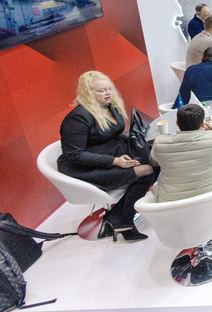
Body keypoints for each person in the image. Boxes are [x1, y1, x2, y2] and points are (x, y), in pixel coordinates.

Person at [58, 71, 156, 242]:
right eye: (102, 90)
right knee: (147, 170)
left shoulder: (110, 106)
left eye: (109, 88)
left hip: (111, 153)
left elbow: (113, 135)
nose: (108, 93)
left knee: (156, 160)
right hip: (85, 167)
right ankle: (123, 219)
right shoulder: (77, 118)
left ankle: (118, 215)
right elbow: (75, 155)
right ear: (88, 93)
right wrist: (115, 161)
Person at [151, 104, 212, 227]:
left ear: (177, 122)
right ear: (202, 124)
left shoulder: (160, 142)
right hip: (211, 197)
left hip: (172, 205)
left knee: (163, 174)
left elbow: (154, 161)